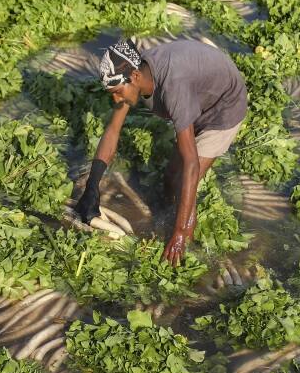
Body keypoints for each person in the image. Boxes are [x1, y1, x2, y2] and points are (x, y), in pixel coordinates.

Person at [75, 38, 247, 265]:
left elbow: (192, 165)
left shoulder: (173, 86)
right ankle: (164, 213)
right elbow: (113, 131)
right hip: (198, 96)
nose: (116, 99)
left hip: (223, 108)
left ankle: (184, 243)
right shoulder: (135, 73)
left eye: (117, 92)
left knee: (183, 180)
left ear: (135, 77)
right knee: (170, 178)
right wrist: (92, 187)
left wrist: (179, 232)